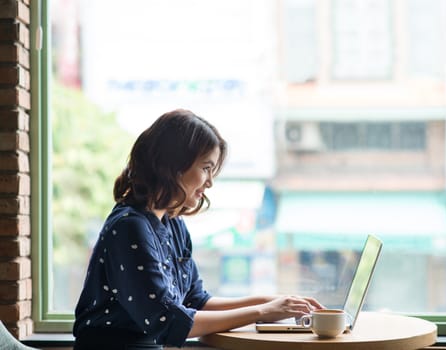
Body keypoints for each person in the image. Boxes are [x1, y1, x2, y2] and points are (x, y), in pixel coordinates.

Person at [72, 109, 323, 350]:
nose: (210, 182)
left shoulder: (172, 224)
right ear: (173, 165)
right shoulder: (130, 227)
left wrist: (276, 302)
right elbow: (168, 322)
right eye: (206, 168)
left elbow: (196, 301)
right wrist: (261, 312)